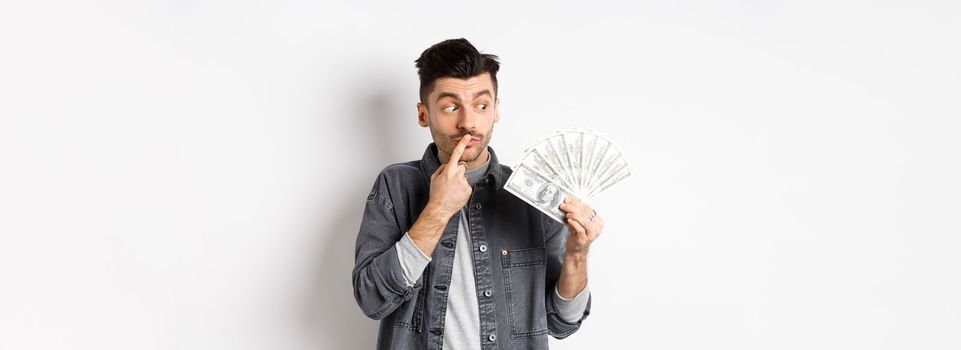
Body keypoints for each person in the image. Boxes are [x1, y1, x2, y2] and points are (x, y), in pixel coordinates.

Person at [352, 38, 605, 350]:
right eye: (450, 107)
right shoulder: (395, 185)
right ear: (423, 115)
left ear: (496, 110)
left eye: (481, 106)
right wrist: (437, 210)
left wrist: (577, 255)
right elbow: (371, 299)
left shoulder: (532, 196)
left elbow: (562, 322)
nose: (468, 123)